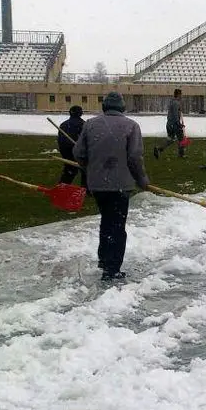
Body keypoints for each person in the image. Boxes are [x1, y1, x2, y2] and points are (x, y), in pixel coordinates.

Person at [73, 92, 150, 281]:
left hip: (97, 185)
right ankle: (112, 267)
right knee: (117, 225)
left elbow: (79, 152)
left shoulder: (90, 124)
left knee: (106, 220)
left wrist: (90, 168)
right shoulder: (131, 126)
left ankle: (105, 259)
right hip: (120, 185)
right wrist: (142, 179)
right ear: (122, 107)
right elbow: (134, 157)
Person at [57, 105, 87, 186]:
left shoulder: (63, 124)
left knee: (69, 169)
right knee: (85, 169)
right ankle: (85, 189)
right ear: (80, 113)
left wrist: (63, 152)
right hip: (78, 151)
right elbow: (86, 140)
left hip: (65, 151)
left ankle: (62, 186)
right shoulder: (84, 124)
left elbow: (60, 141)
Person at [154, 88, 186, 159]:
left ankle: (159, 149)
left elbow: (174, 113)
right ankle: (181, 155)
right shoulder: (176, 103)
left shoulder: (172, 102)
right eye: (181, 94)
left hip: (169, 124)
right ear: (178, 94)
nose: (181, 96)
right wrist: (179, 124)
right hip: (174, 124)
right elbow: (175, 115)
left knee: (171, 139)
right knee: (182, 139)